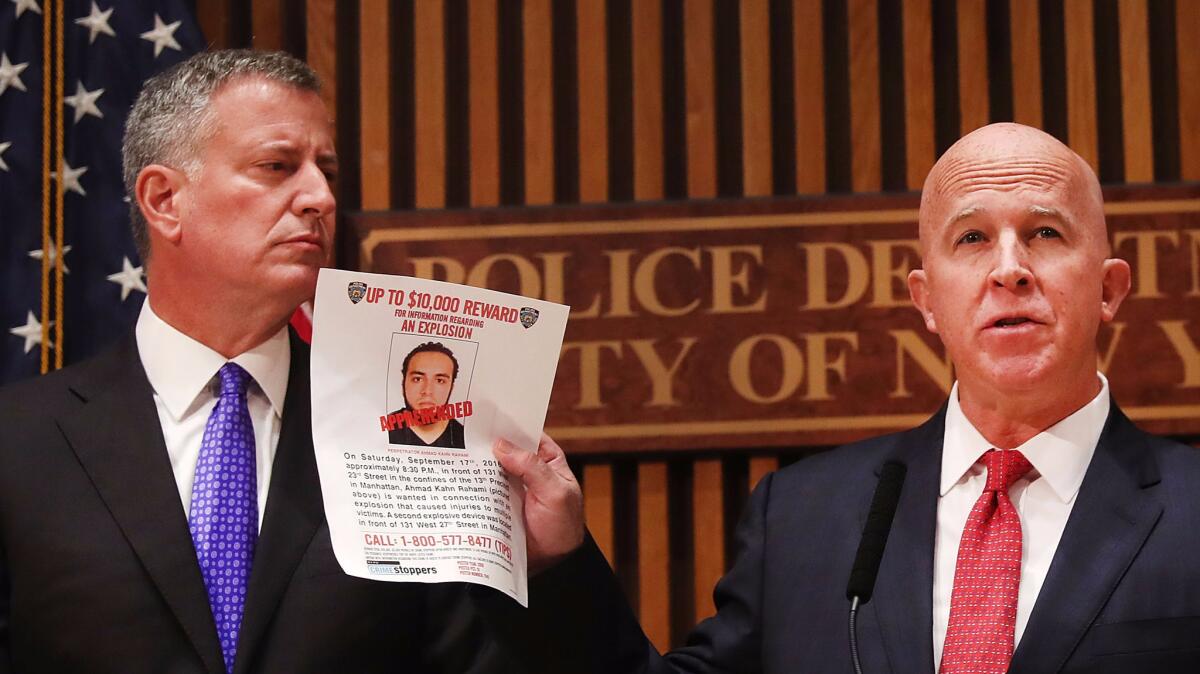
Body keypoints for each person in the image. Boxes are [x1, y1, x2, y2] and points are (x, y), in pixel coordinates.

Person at [489, 123, 1200, 672]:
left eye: (1045, 233)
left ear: (1109, 288)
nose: (1009, 269)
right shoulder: (802, 518)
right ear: (927, 300)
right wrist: (559, 563)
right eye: (973, 237)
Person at [0, 50, 514, 673]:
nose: (320, 197)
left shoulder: (410, 439)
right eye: (277, 166)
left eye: (327, 170)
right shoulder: (18, 441)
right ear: (164, 199)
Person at [388, 342, 466, 448]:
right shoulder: (379, 430)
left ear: (451, 388)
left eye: (440, 380)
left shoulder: (465, 438)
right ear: (403, 384)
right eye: (417, 379)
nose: (427, 391)